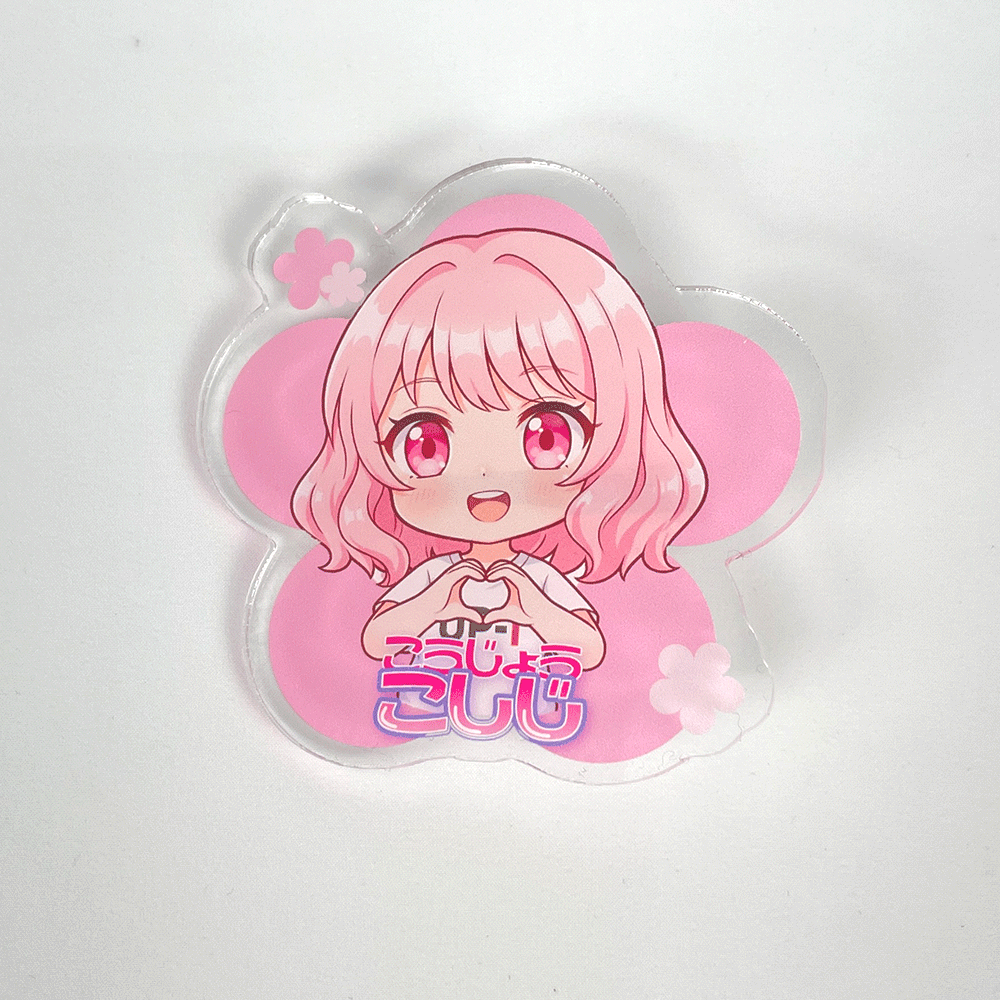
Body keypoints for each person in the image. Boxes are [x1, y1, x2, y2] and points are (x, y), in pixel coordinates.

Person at [292, 228, 705, 685]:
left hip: (536, 698)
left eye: (547, 437)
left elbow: (589, 649)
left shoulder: (534, 578)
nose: (485, 478)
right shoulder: (437, 576)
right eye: (426, 444)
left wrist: (532, 606)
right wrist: (436, 601)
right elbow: (377, 639)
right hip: (426, 696)